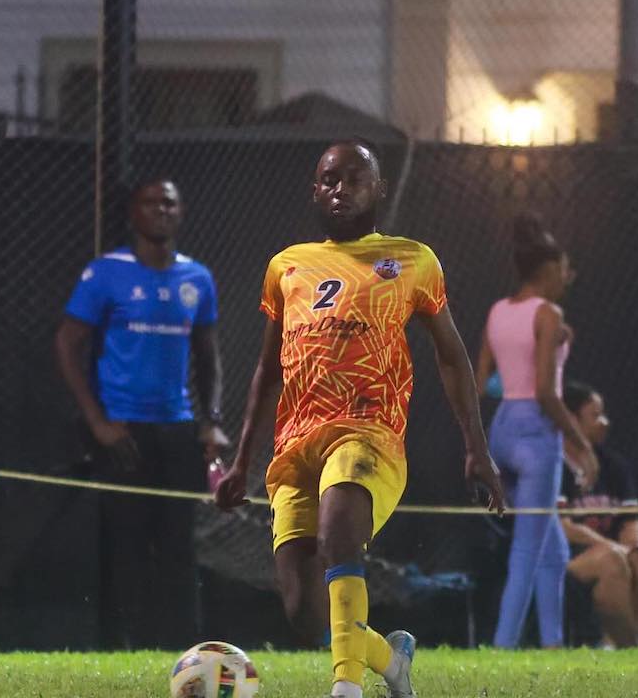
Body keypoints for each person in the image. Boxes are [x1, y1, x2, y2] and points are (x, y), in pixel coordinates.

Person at [214, 141, 505, 698]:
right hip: (295, 443)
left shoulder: (412, 259)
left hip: (368, 431)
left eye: (353, 179)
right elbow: (268, 368)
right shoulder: (287, 266)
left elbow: (451, 354)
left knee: (340, 529)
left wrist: (477, 447)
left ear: (379, 190)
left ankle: (346, 688)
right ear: (314, 190)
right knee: (305, 613)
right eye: (328, 179)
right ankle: (390, 662)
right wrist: (242, 461)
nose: (339, 188)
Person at [55, 177, 226, 650]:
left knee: (178, 546)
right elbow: (67, 344)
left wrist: (210, 420)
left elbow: (209, 356)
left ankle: (183, 651)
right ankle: (119, 649)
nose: (161, 210)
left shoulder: (198, 278)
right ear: (133, 213)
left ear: (182, 211)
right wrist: (96, 421)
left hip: (176, 429)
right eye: (151, 203)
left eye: (169, 203)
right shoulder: (106, 273)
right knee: (124, 545)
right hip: (122, 430)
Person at [475, 213, 598, 649]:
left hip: (502, 429)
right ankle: (502, 647)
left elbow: (484, 382)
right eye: (565, 271)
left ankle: (553, 645)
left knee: (552, 552)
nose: (569, 278)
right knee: (527, 552)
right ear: (548, 272)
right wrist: (581, 446)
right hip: (536, 433)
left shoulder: (498, 311)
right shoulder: (548, 313)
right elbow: (546, 392)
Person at [559, 382, 638, 647]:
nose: (604, 422)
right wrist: (619, 549)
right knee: (613, 561)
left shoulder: (613, 465)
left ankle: (610, 647)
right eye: (595, 415)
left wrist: (637, 550)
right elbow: (561, 527)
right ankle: (630, 650)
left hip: (614, 551)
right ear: (571, 420)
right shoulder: (554, 465)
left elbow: (632, 518)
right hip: (566, 560)